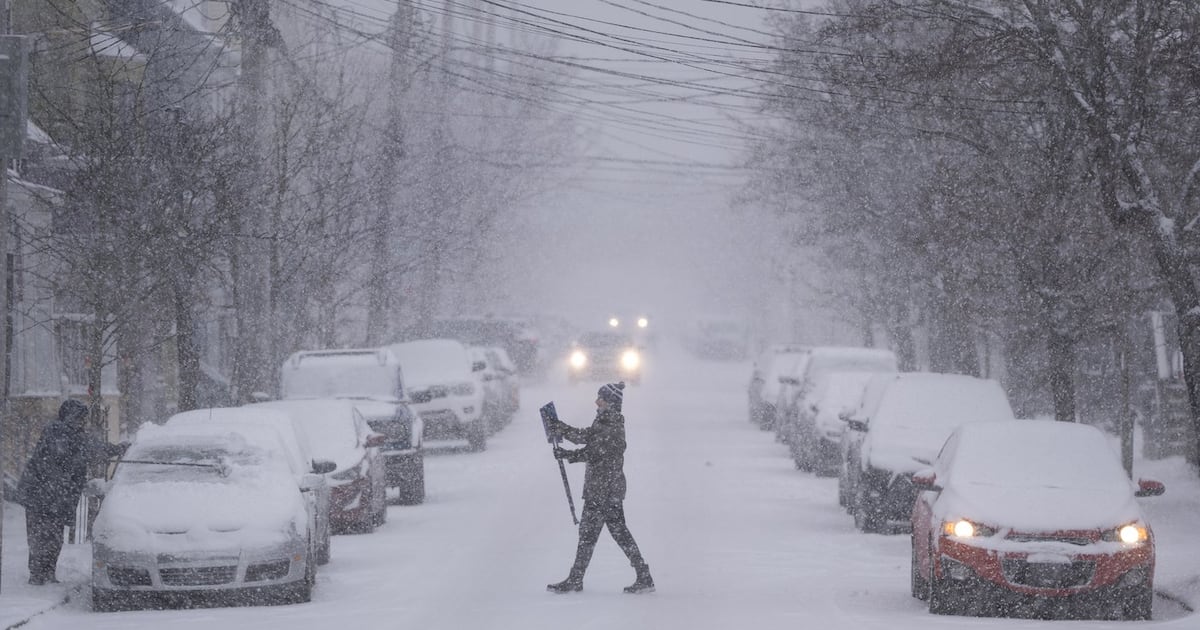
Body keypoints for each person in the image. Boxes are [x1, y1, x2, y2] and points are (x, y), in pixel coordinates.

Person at [546, 382, 655, 594]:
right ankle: (643, 575)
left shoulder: (612, 425)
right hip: (605, 489)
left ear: (611, 402)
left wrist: (568, 455)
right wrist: (560, 427)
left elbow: (594, 452)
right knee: (615, 533)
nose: (597, 401)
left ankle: (577, 579)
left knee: (590, 534)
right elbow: (586, 436)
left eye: (601, 398)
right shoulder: (605, 420)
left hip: (603, 491)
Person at [15, 400, 127, 585]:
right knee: (42, 537)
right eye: (81, 418)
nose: (84, 422)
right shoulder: (59, 432)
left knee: (51, 537)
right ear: (71, 417)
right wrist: (117, 449)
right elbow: (90, 449)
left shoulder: (68, 434)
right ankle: (37, 575)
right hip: (43, 497)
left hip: (51, 497)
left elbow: (87, 448)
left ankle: (46, 573)